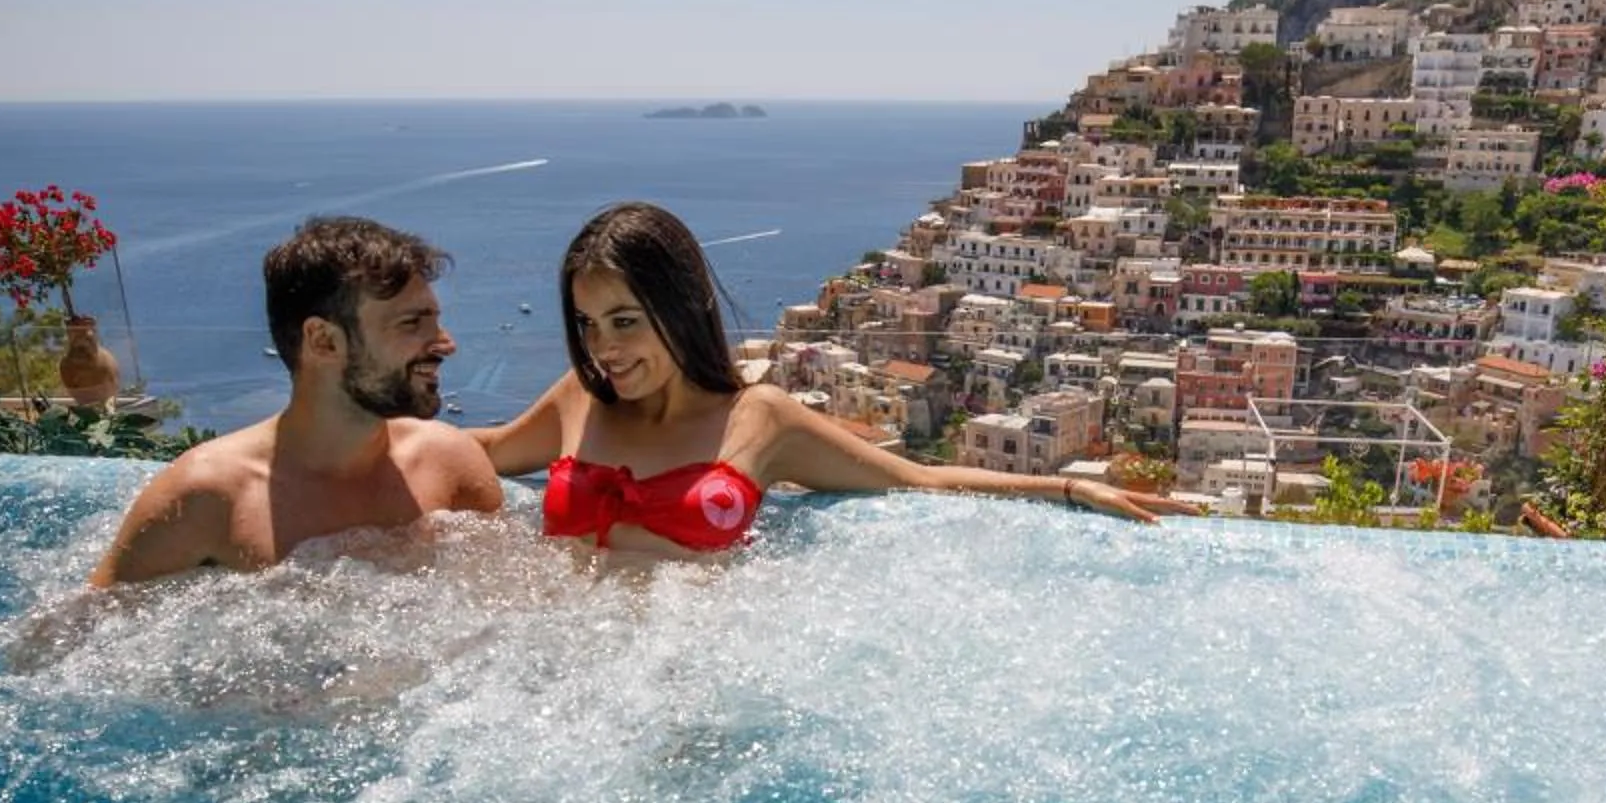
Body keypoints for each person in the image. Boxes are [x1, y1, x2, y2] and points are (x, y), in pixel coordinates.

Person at [474, 201, 1169, 561]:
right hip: (560, 669)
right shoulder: (579, 400)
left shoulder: (760, 419)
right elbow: (484, 450)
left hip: (680, 678)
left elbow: (916, 481)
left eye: (624, 321)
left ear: (680, 307)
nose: (603, 349)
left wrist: (1071, 486)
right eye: (587, 324)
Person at [88, 216, 503, 585]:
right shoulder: (206, 498)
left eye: (435, 318)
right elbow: (75, 645)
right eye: (412, 322)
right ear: (323, 340)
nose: (446, 344)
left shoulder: (451, 465)